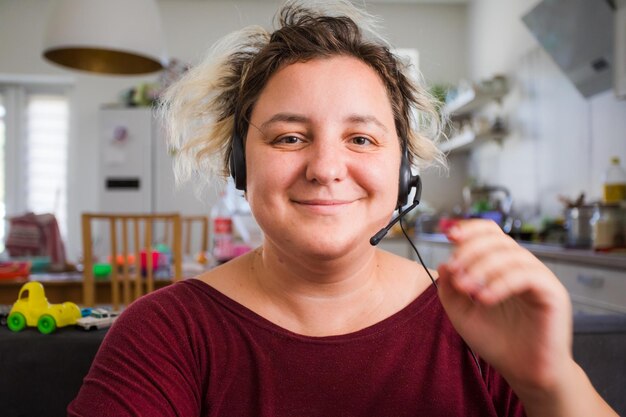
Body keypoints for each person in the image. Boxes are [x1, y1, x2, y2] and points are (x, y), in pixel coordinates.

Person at [69, 1, 618, 416]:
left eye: (361, 139)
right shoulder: (166, 333)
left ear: (404, 169)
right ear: (240, 165)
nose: (326, 168)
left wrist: (551, 381)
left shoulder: (482, 325)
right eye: (288, 138)